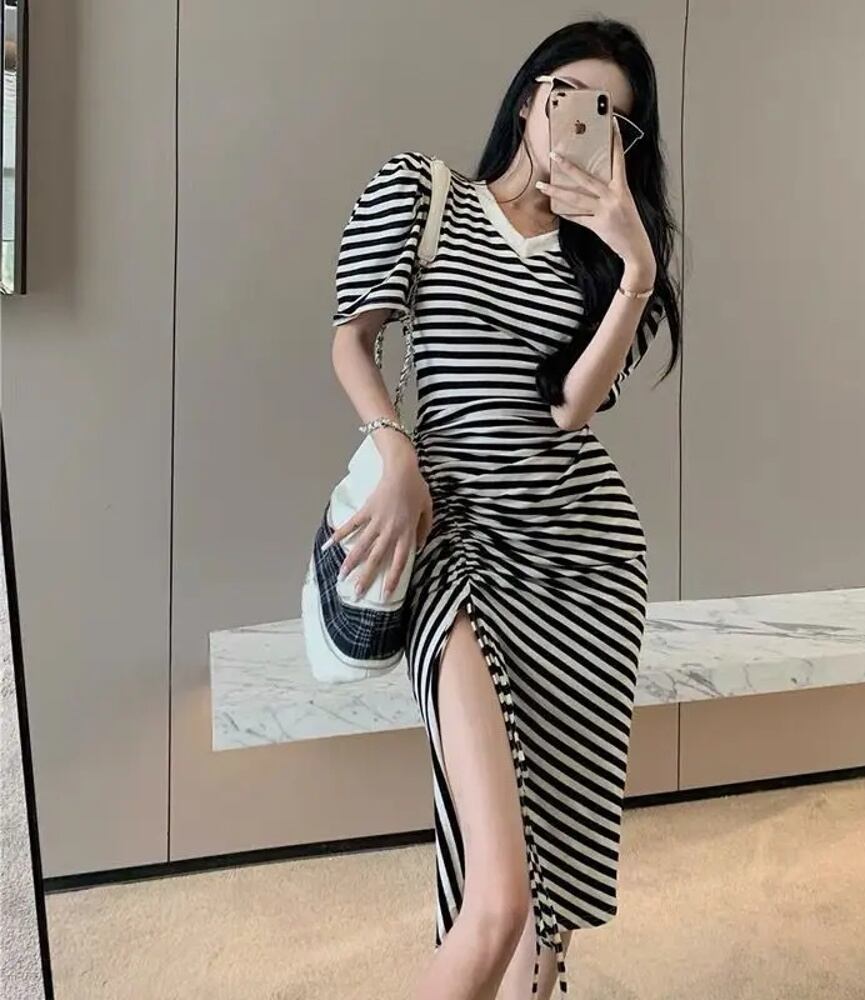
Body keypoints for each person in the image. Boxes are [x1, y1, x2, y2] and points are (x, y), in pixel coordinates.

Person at [327, 17, 681, 999]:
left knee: (551, 866)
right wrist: (393, 448)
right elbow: (353, 339)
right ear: (529, 97)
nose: (579, 118)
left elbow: (570, 409)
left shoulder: (607, 259)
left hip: (587, 557)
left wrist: (635, 269)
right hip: (458, 539)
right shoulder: (423, 192)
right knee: (497, 898)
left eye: (609, 113)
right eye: (567, 93)